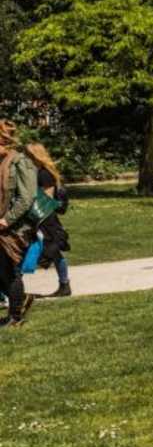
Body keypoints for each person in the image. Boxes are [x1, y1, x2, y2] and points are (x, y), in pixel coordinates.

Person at [0, 121, 38, 324]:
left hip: (14, 227)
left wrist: (7, 220)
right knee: (2, 270)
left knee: (9, 270)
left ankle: (15, 316)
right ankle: (19, 302)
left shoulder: (20, 162)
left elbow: (27, 197)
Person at [27, 143, 71, 298]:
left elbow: (47, 199)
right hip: (41, 217)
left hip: (45, 218)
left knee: (53, 250)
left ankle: (64, 285)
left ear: (35, 156)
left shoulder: (44, 174)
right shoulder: (37, 172)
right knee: (53, 252)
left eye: (28, 155)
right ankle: (64, 285)